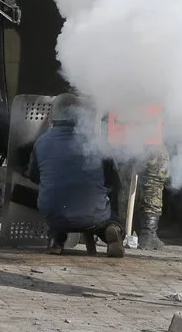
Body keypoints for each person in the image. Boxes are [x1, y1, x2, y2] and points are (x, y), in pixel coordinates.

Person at [28, 93, 125, 257]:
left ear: (53, 116)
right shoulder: (96, 142)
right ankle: (111, 231)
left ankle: (55, 240)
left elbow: (33, 176)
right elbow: (115, 182)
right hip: (93, 214)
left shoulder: (42, 142)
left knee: (55, 214)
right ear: (80, 116)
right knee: (109, 219)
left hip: (54, 212)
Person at [117, 146, 169, 250]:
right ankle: (148, 234)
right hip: (150, 141)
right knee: (153, 183)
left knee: (126, 182)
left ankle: (120, 230)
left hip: (124, 143)